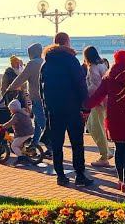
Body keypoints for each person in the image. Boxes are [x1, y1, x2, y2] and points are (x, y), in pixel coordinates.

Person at [82, 49, 125, 191]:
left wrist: (85, 107)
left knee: (119, 149)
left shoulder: (108, 76)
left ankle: (120, 181)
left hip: (114, 117)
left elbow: (97, 96)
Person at [40, 32, 93, 187]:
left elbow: (41, 88)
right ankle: (80, 175)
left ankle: (61, 176)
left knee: (57, 144)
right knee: (77, 143)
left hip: (54, 109)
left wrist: (46, 107)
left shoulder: (46, 63)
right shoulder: (71, 60)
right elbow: (80, 84)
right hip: (72, 107)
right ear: (67, 42)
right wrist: (85, 105)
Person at [6, 42, 46, 148]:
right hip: (45, 97)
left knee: (42, 123)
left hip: (36, 97)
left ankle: (51, 147)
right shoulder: (44, 61)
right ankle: (34, 143)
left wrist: (10, 88)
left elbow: (21, 78)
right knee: (37, 122)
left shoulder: (32, 64)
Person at [83, 46, 113, 168]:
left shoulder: (93, 68)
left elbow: (95, 85)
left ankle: (105, 155)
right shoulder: (102, 65)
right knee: (97, 126)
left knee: (95, 127)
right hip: (104, 100)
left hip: (97, 101)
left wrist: (85, 93)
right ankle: (106, 152)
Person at [5, 99, 36, 166]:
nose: (10, 111)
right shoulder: (24, 112)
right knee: (18, 142)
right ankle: (23, 154)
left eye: (11, 109)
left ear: (14, 108)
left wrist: (3, 126)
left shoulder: (17, 115)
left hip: (23, 133)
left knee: (14, 146)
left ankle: (21, 158)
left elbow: (10, 123)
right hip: (29, 131)